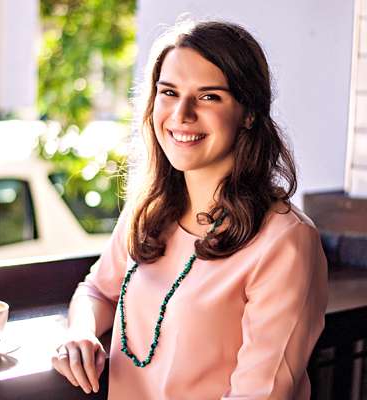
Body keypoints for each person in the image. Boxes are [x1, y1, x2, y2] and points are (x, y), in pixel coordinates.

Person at [52, 19, 328, 399]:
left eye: (209, 96)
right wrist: (78, 333)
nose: (181, 114)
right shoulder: (149, 209)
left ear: (248, 113)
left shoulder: (285, 241)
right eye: (168, 92)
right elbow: (98, 290)